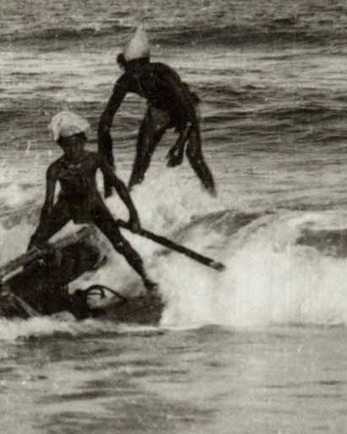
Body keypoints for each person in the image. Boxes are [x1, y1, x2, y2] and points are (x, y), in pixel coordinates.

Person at [31, 110, 157, 291]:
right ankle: (27, 279)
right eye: (67, 146)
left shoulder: (94, 159)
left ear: (83, 142)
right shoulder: (55, 169)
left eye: (76, 145)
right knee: (35, 240)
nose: (72, 150)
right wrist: (43, 231)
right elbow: (48, 205)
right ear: (61, 146)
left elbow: (119, 185)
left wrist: (134, 217)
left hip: (93, 204)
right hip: (67, 206)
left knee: (120, 243)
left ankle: (147, 279)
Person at [97, 28, 216, 196]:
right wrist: (104, 133)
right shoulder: (126, 80)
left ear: (147, 63)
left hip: (185, 109)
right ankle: (132, 204)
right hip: (158, 110)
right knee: (141, 159)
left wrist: (179, 145)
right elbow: (107, 115)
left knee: (194, 156)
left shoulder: (162, 73)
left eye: (141, 68)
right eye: (131, 69)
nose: (137, 74)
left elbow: (187, 108)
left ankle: (212, 200)